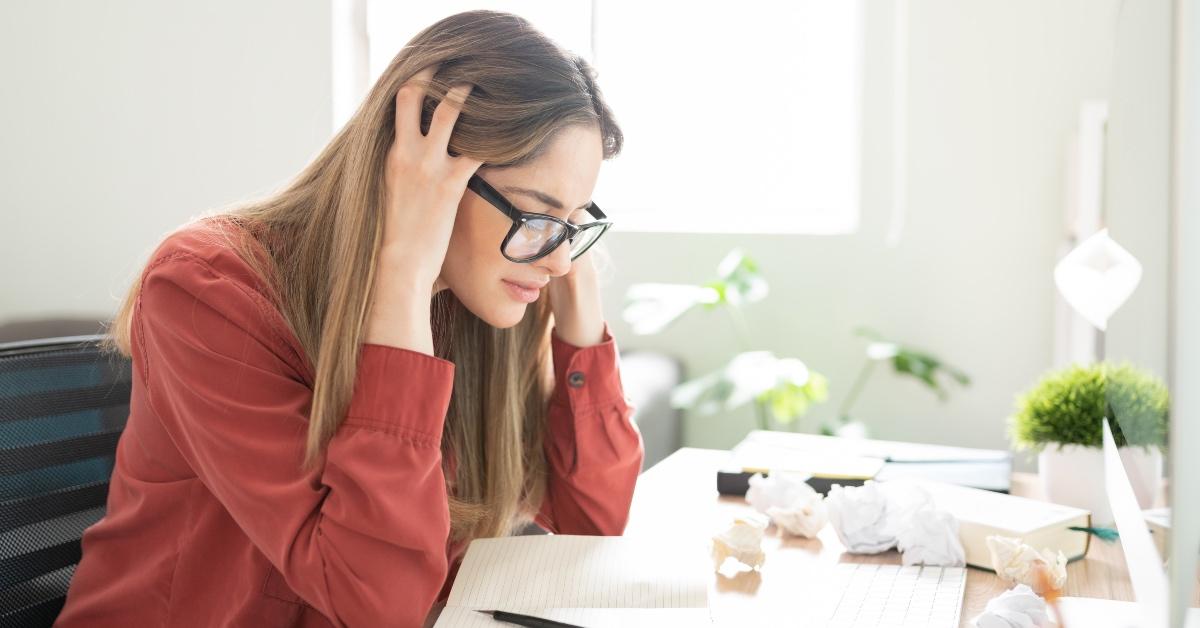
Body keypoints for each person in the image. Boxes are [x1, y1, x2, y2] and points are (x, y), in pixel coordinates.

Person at [54, 10, 642, 628]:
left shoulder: (480, 298)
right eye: (537, 216)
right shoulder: (208, 288)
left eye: (574, 223)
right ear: (421, 173)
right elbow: (375, 605)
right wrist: (403, 273)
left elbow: (591, 530)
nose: (555, 259)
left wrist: (581, 322)